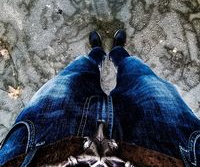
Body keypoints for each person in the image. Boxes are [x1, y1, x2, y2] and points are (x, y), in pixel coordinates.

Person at [0, 30, 199, 167]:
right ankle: (110, 53)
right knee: (140, 75)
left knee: (77, 71)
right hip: (168, 149)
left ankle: (106, 53)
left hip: (45, 145)